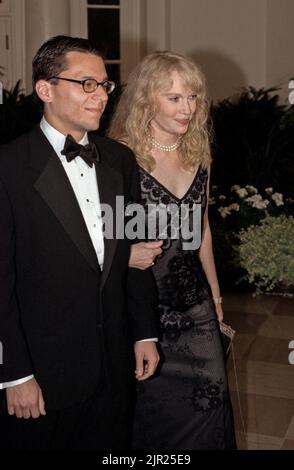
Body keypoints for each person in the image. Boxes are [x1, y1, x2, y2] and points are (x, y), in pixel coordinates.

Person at [0, 35, 160, 451]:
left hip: (112, 369)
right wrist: (14, 373)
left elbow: (133, 251)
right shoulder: (8, 167)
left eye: (104, 85)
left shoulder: (120, 161)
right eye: (86, 84)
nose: (100, 96)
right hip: (42, 377)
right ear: (45, 89)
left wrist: (144, 332)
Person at [108, 51, 236, 450]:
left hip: (194, 304)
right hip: (144, 308)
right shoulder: (121, 155)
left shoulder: (200, 152)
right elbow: (110, 237)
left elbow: (201, 230)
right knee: (151, 414)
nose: (187, 108)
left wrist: (214, 296)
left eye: (193, 97)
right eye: (175, 98)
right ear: (148, 99)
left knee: (211, 401)